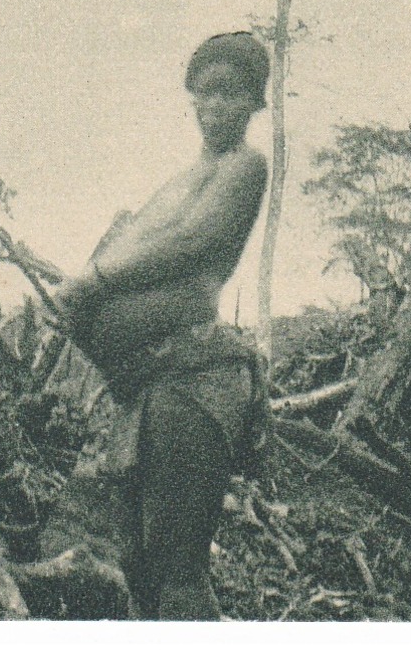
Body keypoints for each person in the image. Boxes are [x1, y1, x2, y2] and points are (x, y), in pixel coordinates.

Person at [53, 31, 271, 620]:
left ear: (254, 103)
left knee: (178, 570)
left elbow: (191, 241)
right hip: (144, 388)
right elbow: (133, 241)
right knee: (138, 566)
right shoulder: (179, 181)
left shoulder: (245, 167)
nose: (214, 105)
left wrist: (94, 280)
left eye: (230, 93)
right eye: (204, 92)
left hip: (195, 382)